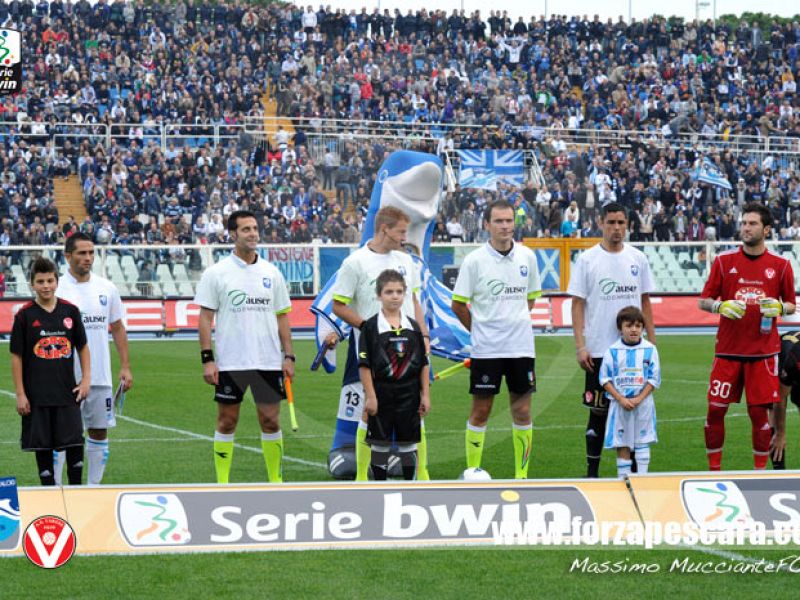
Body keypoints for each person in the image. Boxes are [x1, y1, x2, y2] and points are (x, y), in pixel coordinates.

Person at [195, 210, 295, 484]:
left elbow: (282, 316)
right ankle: (222, 483)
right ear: (232, 234)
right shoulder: (217, 273)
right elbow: (205, 318)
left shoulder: (271, 273)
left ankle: (276, 482)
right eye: (246, 229)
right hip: (231, 361)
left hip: (268, 361)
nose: (253, 233)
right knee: (227, 421)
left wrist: (289, 356)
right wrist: (208, 359)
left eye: (254, 228)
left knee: (271, 422)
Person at [331, 206, 430, 481]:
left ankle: (422, 474)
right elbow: (338, 305)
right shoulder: (356, 262)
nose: (404, 236)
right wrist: (368, 329)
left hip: (409, 348)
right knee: (371, 410)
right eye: (401, 231)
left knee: (415, 410)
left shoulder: (405, 261)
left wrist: (423, 336)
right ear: (384, 229)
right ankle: (364, 476)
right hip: (375, 351)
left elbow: (415, 302)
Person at [699, 203, 796, 471]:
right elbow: (703, 301)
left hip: (762, 354)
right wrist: (719, 306)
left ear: (765, 229)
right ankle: (713, 471)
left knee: (759, 415)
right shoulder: (723, 262)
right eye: (744, 223)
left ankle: (759, 473)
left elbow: (791, 304)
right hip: (727, 351)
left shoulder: (781, 266)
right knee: (715, 411)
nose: (745, 228)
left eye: (752, 224)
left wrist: (780, 308)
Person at [451, 200, 542, 479]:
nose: (505, 226)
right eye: (499, 221)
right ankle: (472, 470)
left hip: (521, 347)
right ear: (487, 225)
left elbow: (530, 299)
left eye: (508, 221)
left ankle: (521, 476)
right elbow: (458, 304)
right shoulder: (474, 261)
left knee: (523, 411)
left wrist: (512, 321)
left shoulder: (527, 257)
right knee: (481, 410)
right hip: (487, 349)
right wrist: (479, 330)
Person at [567, 201, 656, 478]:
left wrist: (651, 342)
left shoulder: (637, 259)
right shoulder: (587, 260)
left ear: (627, 224)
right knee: (598, 413)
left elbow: (645, 301)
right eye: (611, 223)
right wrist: (581, 345)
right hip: (599, 351)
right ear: (600, 223)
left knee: (632, 412)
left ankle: (631, 477)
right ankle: (591, 473)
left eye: (621, 223)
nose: (616, 228)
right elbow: (578, 304)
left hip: (634, 352)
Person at [52, 232, 133, 486]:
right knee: (61, 433)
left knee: (99, 430)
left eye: (91, 253)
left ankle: (93, 488)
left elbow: (118, 327)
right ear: (68, 256)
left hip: (100, 375)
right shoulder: (56, 288)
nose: (88, 258)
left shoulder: (106, 288)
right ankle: (54, 489)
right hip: (63, 377)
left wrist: (125, 367)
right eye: (81, 253)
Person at [11, 257, 91, 486]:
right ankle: (49, 498)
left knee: (75, 444)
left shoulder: (71, 312)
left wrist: (86, 379)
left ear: (56, 281)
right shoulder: (24, 315)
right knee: (43, 447)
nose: (46, 286)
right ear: (32, 284)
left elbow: (83, 347)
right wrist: (20, 393)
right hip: (37, 396)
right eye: (40, 281)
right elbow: (16, 357)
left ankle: (77, 494)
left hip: (68, 392)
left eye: (49, 280)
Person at [359, 269, 431, 480]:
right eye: (389, 292)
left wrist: (425, 394)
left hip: (409, 395)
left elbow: (423, 365)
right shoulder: (371, 327)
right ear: (379, 295)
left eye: (399, 292)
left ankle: (410, 487)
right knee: (379, 444)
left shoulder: (414, 327)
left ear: (405, 294)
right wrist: (371, 396)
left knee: (408, 445)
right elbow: (364, 365)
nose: (395, 296)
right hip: (381, 393)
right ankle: (380, 488)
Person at [600, 306, 661, 478]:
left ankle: (642, 480)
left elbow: (654, 379)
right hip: (620, 405)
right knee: (623, 444)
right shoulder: (612, 351)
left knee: (643, 442)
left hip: (643, 404)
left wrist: (639, 398)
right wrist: (620, 399)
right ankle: (623, 482)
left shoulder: (650, 349)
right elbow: (605, 379)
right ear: (621, 328)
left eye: (638, 326)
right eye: (629, 326)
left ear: (642, 328)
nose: (634, 330)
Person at [770, 330, 800, 469]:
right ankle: (778, 470)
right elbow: (780, 400)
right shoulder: (793, 360)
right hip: (777, 360)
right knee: (772, 416)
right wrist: (780, 434)